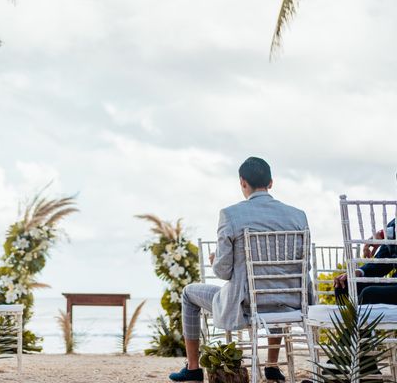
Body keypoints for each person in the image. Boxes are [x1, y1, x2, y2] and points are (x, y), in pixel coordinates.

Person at [169, 157, 310, 383]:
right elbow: (306, 267)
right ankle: (272, 366)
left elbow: (223, 272)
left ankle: (194, 368)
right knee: (272, 288)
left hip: (246, 303)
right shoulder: (298, 215)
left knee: (188, 294)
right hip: (290, 300)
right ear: (271, 183)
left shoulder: (230, 215)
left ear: (242, 182)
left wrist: (217, 260)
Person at [334, 219, 397, 304]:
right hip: (394, 283)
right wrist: (359, 272)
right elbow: (382, 264)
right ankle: (348, 317)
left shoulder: (388, 230)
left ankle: (359, 317)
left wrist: (384, 234)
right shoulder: (393, 224)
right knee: (344, 285)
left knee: (369, 293)